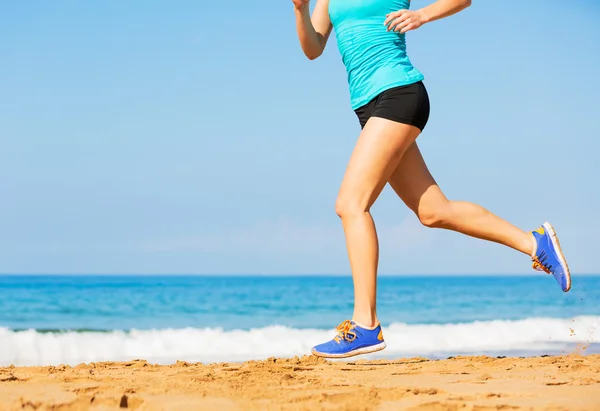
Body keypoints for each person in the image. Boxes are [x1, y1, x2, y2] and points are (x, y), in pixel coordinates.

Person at [291, 0, 572, 359]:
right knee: (434, 211)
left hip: (398, 93)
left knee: (351, 205)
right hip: (369, 106)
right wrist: (300, 10)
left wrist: (423, 14)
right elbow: (313, 48)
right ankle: (535, 243)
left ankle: (366, 324)